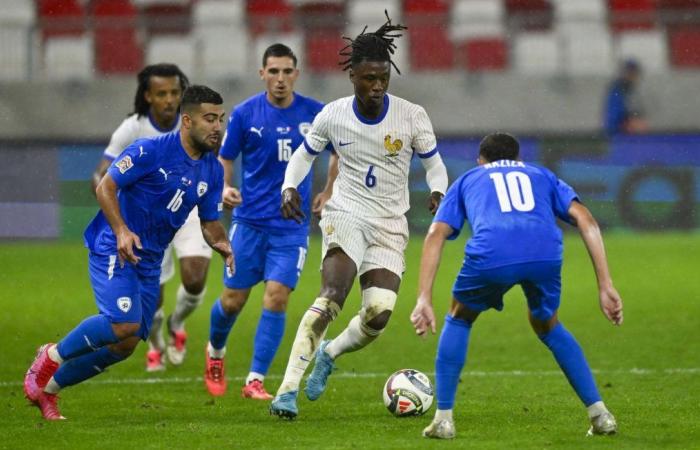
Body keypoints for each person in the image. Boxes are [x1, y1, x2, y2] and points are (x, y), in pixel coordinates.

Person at [269, 12, 449, 419]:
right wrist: (289, 186)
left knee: (378, 314)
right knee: (333, 294)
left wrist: (439, 189)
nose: (377, 86)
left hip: (390, 223)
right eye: (369, 78)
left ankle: (329, 355)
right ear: (352, 75)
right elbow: (303, 156)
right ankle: (287, 390)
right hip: (346, 212)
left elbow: (435, 165)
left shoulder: (411, 116)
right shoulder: (333, 115)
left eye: (383, 77)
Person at [24, 85, 232, 420]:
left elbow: (209, 221)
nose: (218, 126)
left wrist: (221, 242)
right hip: (114, 246)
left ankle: (49, 392)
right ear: (188, 121)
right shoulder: (150, 151)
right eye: (210, 119)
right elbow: (106, 185)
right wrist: (121, 230)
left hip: (150, 259)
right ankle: (50, 355)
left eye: (221, 119)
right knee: (123, 324)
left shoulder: (212, 170)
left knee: (126, 344)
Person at [410, 133, 623, 439]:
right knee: (548, 324)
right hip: (545, 252)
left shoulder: (469, 178)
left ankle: (444, 420)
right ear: (518, 159)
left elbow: (435, 234)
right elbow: (586, 220)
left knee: (459, 316)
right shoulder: (541, 174)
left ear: (480, 160)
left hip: (492, 254)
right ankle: (600, 414)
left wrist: (423, 297)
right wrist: (605, 284)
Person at [204, 43, 338, 400]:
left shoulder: (316, 113)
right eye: (273, 71)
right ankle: (215, 353)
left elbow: (339, 152)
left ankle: (255, 379)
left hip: (290, 227)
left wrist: (328, 189)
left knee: (276, 297)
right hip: (248, 223)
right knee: (232, 301)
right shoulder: (246, 113)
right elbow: (225, 157)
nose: (280, 78)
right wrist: (226, 187)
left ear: (297, 73)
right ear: (262, 73)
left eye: (287, 71)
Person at [91, 63, 213, 372]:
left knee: (196, 278)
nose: (169, 99)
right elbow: (101, 175)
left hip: (186, 212)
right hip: (146, 220)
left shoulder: (193, 124)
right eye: (162, 94)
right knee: (151, 299)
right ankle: (157, 342)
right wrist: (116, 216)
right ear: (148, 96)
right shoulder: (134, 127)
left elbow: (211, 164)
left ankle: (177, 323)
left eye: (175, 92)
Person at [603, 59, 649, 135]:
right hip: (618, 133)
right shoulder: (618, 90)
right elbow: (614, 116)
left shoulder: (628, 89)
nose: (635, 77)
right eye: (632, 74)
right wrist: (630, 121)